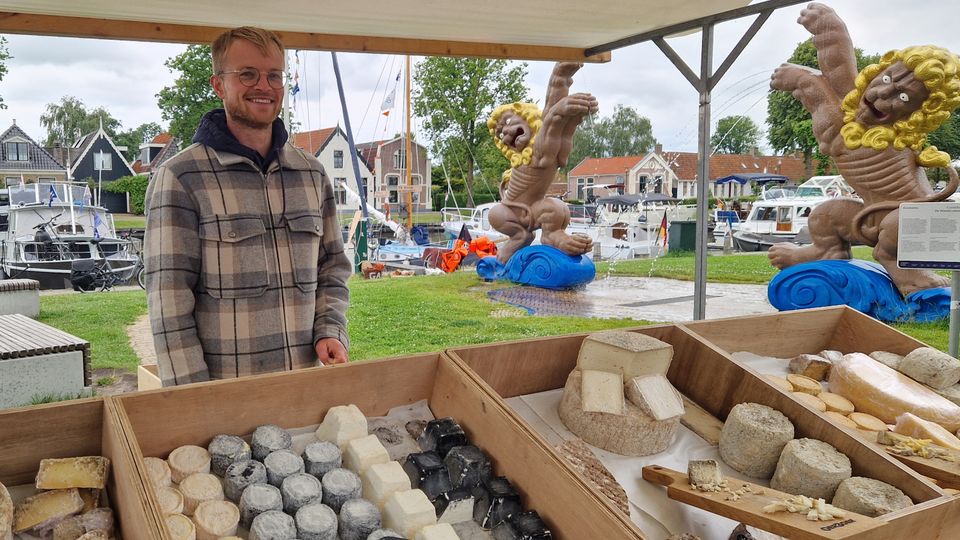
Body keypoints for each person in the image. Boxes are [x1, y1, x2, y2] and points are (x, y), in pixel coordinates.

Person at [144, 27, 351, 386]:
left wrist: (329, 330)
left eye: (274, 76)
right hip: (225, 394)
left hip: (304, 386)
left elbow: (332, 268)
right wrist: (193, 397)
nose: (264, 86)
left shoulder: (311, 173)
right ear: (219, 85)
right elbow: (168, 301)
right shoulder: (180, 177)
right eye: (247, 74)